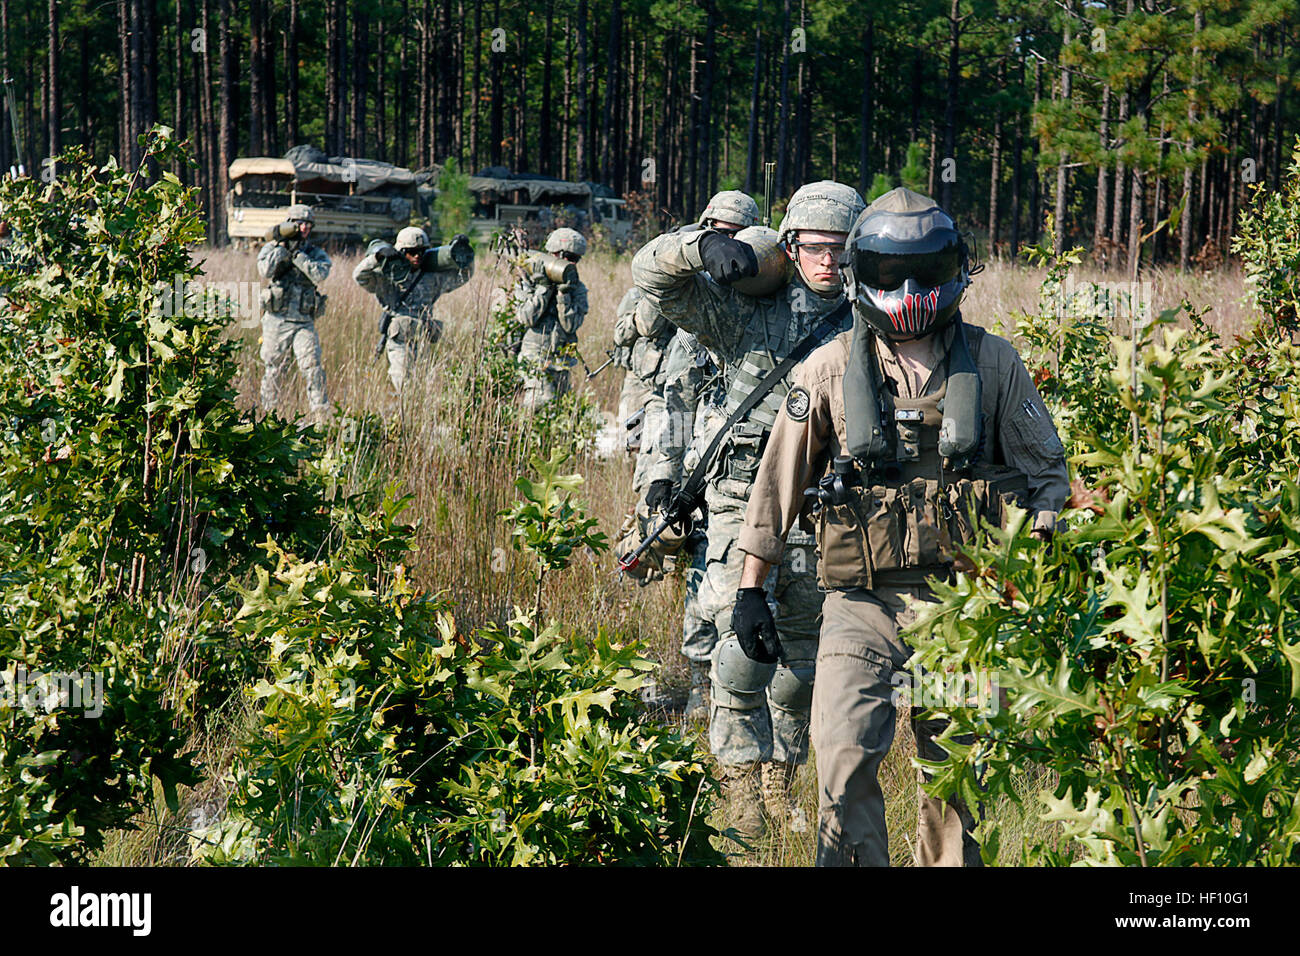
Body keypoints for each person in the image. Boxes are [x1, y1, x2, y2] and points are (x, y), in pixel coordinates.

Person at [732, 187, 1070, 866]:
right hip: (863, 605)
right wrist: (750, 588)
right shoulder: (828, 369)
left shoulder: (994, 362)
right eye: (892, 273)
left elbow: (1048, 476)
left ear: (955, 272)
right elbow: (777, 484)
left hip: (965, 606)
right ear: (866, 274)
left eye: (927, 270)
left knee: (953, 786)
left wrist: (1041, 548)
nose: (910, 290)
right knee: (843, 760)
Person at [631, 181, 866, 837]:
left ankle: (777, 781)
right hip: (742, 495)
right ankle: (736, 789)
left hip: (827, 505)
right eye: (815, 246)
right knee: (742, 643)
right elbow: (651, 278)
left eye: (840, 247)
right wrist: (701, 245)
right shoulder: (744, 310)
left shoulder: (867, 321)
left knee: (803, 659)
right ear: (790, 245)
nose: (828, 260)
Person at [353, 226, 473, 393]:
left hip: (423, 338)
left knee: (426, 387)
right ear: (402, 252)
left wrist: (462, 253)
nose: (417, 256)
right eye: (411, 252)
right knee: (404, 384)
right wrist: (376, 258)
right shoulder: (387, 277)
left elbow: (464, 276)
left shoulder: (432, 277)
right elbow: (359, 276)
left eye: (421, 251)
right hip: (400, 339)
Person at [256, 204, 332, 416]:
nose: (304, 228)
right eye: (299, 223)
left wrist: (298, 255)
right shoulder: (273, 248)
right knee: (274, 369)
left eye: (308, 224)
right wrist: (282, 249)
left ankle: (320, 415)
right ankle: (269, 415)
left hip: (304, 323)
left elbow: (319, 275)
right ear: (290, 225)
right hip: (276, 320)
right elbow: (265, 270)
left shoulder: (315, 253)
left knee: (312, 367)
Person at [516, 227, 589, 409]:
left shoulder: (577, 288)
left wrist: (563, 296)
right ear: (553, 254)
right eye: (565, 256)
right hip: (534, 358)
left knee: (561, 412)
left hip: (561, 362)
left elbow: (571, 326)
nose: (569, 263)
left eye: (574, 259)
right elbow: (525, 318)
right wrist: (543, 289)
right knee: (541, 404)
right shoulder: (529, 280)